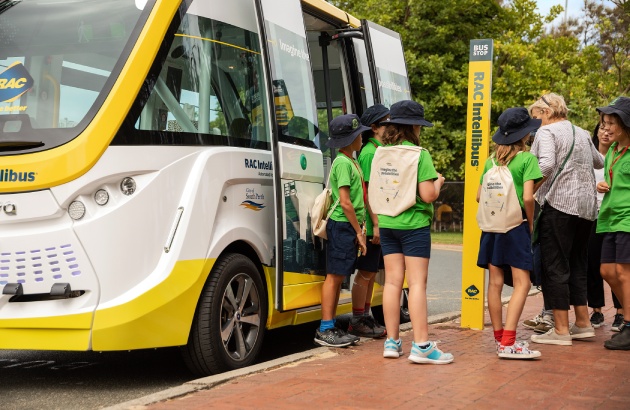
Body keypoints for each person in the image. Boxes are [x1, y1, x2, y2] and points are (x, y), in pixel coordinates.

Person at [376, 100, 454, 364]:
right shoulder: (419, 154)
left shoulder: (380, 153)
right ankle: (421, 345)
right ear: (413, 127)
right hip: (413, 225)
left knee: (392, 282)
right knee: (417, 283)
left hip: (388, 224)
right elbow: (428, 194)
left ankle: (391, 341)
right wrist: (439, 181)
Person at [528, 93, 604, 346]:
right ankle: (582, 323)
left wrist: (529, 189)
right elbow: (598, 161)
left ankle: (560, 330)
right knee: (578, 263)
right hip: (587, 207)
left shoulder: (546, 132)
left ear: (546, 113)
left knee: (555, 265)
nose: (535, 124)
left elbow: (547, 164)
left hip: (559, 205)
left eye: (536, 117)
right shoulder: (581, 132)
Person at [476, 107, 543, 359]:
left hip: (492, 228)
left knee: (494, 284)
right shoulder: (527, 160)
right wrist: (530, 222)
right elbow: (527, 196)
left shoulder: (489, 162)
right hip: (515, 226)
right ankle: (509, 342)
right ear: (524, 135)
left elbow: (478, 196)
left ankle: (499, 338)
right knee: (522, 283)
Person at [314, 114, 369, 347]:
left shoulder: (350, 161)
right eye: (358, 135)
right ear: (350, 139)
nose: (361, 138)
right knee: (334, 276)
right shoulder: (343, 163)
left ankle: (331, 325)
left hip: (348, 225)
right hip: (343, 224)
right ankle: (325, 328)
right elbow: (345, 202)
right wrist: (358, 232)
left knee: (338, 276)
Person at [346, 104, 390, 339]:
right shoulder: (370, 153)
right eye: (386, 123)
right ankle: (357, 319)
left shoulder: (379, 150)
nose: (390, 127)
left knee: (371, 272)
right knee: (365, 272)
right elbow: (368, 192)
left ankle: (366, 315)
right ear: (374, 128)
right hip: (373, 223)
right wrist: (375, 224)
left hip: (378, 222)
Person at [595, 96, 630, 350]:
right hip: (609, 218)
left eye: (610, 123)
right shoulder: (613, 152)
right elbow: (610, 179)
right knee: (607, 271)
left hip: (627, 218)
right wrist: (600, 185)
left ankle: (628, 325)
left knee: (623, 273)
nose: (605, 128)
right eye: (604, 123)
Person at [587, 122, 624, 330]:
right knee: (593, 266)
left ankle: (620, 313)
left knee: (614, 267)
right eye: (602, 128)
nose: (605, 132)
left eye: (610, 129)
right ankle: (596, 311)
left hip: (612, 216)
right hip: (591, 216)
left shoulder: (618, 155)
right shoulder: (588, 159)